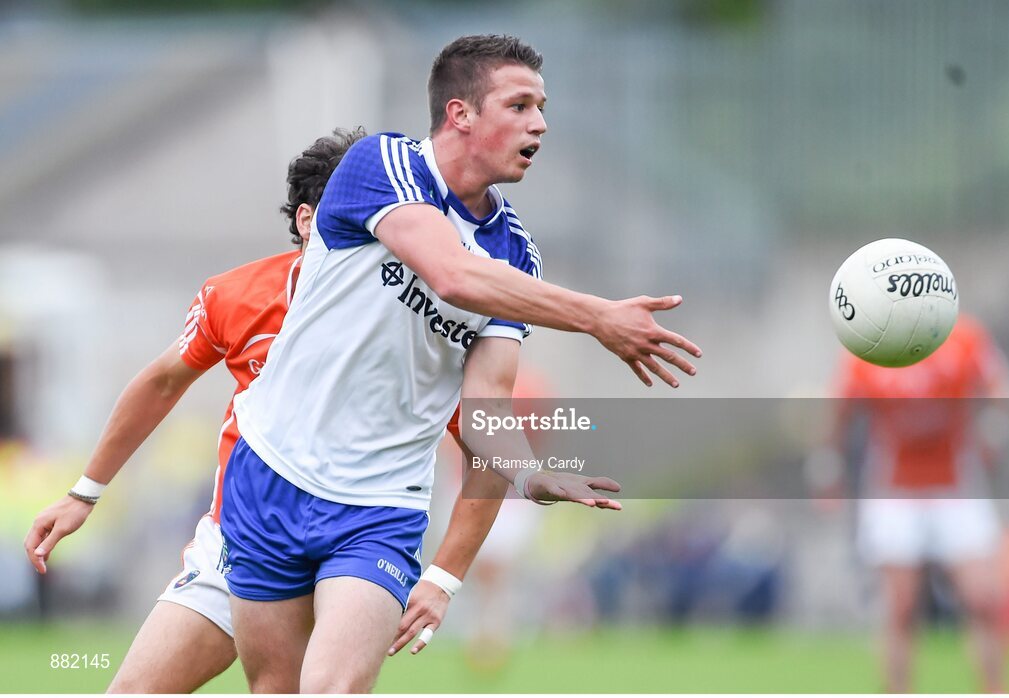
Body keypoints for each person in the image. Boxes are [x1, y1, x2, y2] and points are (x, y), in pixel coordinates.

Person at [221, 34, 702, 694]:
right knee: (274, 688)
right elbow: (449, 274)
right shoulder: (379, 164)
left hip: (378, 507)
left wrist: (495, 511)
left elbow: (485, 415)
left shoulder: (517, 255)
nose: (541, 123)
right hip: (271, 474)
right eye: (521, 104)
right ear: (460, 115)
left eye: (543, 107)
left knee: (330, 688)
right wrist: (596, 316)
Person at [22, 128, 503, 692]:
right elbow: (160, 382)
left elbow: (486, 433)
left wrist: (450, 569)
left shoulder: (411, 319)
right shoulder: (239, 296)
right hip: (240, 535)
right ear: (310, 220)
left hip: (354, 529)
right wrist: (85, 493)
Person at [829, 313, 1009, 692]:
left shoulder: (965, 338)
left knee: (983, 600)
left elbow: (997, 386)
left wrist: (995, 426)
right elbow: (840, 411)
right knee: (901, 607)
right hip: (895, 491)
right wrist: (828, 468)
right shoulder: (869, 346)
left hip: (956, 486)